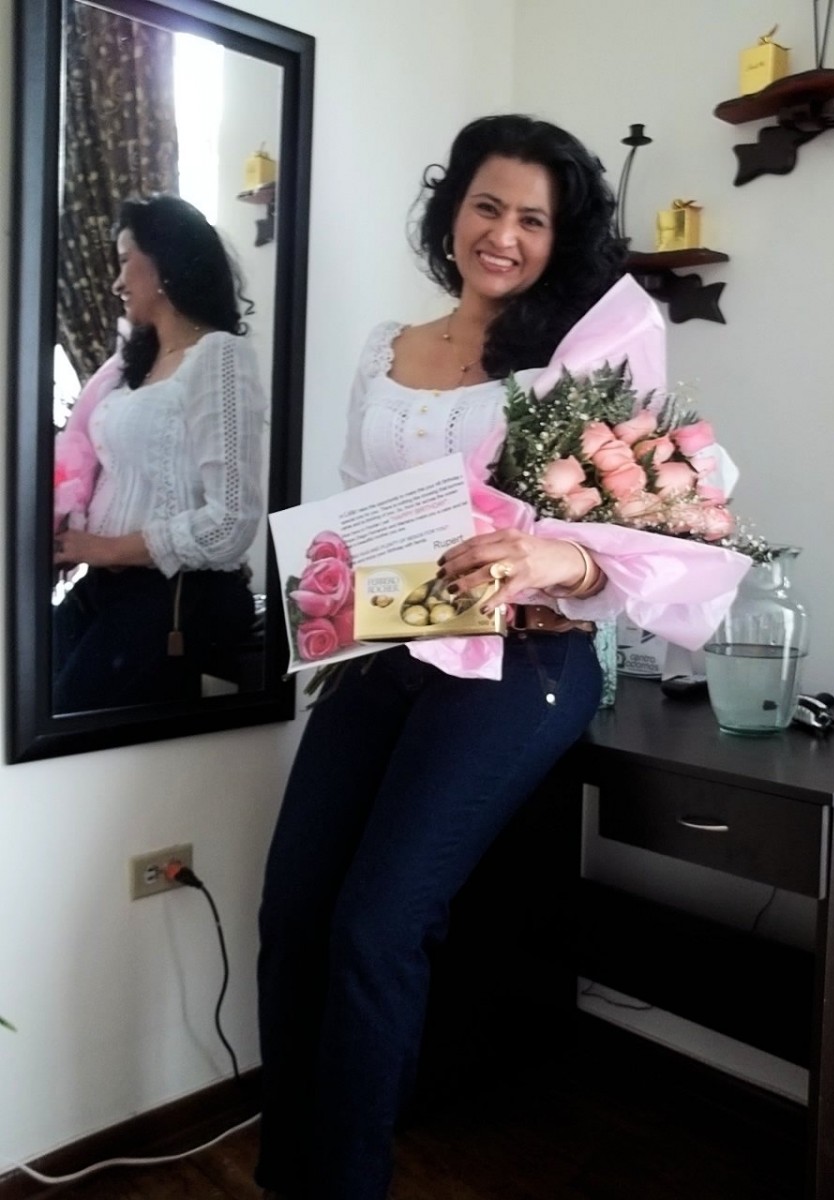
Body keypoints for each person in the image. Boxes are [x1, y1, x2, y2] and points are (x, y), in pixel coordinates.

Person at [255, 114, 628, 1200]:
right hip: (394, 643)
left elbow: (640, 545)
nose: (503, 235)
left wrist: (554, 559)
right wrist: (326, 593)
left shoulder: (581, 362)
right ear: (451, 211)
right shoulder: (388, 346)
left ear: (560, 238)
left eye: (532, 220)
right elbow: (353, 502)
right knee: (293, 913)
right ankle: (290, 1176)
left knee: (377, 926)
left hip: (525, 657)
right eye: (486, 206)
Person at [52, 194, 267, 711]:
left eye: (126, 261)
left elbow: (231, 523)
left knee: (63, 719)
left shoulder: (219, 357)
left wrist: (104, 548)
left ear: (165, 264)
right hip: (105, 587)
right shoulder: (131, 366)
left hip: (178, 596)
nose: (116, 283)